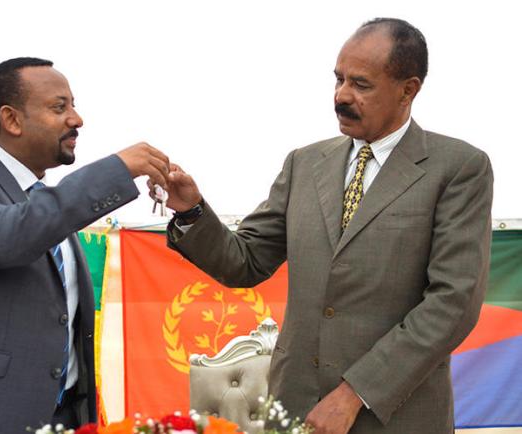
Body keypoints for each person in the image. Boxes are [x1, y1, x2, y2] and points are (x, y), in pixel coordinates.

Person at [161, 18, 493, 434]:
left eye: (361, 85)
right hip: (295, 412)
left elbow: (453, 303)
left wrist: (355, 393)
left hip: (395, 416)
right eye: (338, 80)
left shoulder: (458, 168)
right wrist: (193, 211)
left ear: (408, 90)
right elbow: (244, 262)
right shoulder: (304, 163)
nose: (341, 96)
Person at [0, 57, 171, 433]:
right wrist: (114, 171)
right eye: (59, 107)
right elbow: (4, 238)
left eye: (74, 106)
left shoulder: (47, 202)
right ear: (12, 120)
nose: (77, 119)